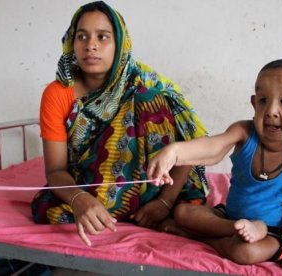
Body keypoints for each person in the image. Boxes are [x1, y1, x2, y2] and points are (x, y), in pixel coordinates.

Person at [31, 1, 209, 247]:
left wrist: (165, 202)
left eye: (102, 37)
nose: (90, 45)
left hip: (153, 190)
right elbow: (55, 171)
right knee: (49, 210)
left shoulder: (146, 84)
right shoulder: (58, 93)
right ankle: (126, 212)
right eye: (81, 36)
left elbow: (189, 146)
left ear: (120, 44)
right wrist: (79, 199)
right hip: (90, 186)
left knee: (150, 100)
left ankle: (156, 209)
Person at [147, 59, 282, 275]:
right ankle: (231, 230)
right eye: (263, 100)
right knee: (182, 212)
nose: (271, 111)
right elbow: (213, 147)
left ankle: (198, 235)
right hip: (228, 218)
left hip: (272, 231)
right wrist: (174, 152)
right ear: (254, 103)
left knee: (245, 253)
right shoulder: (244, 132)